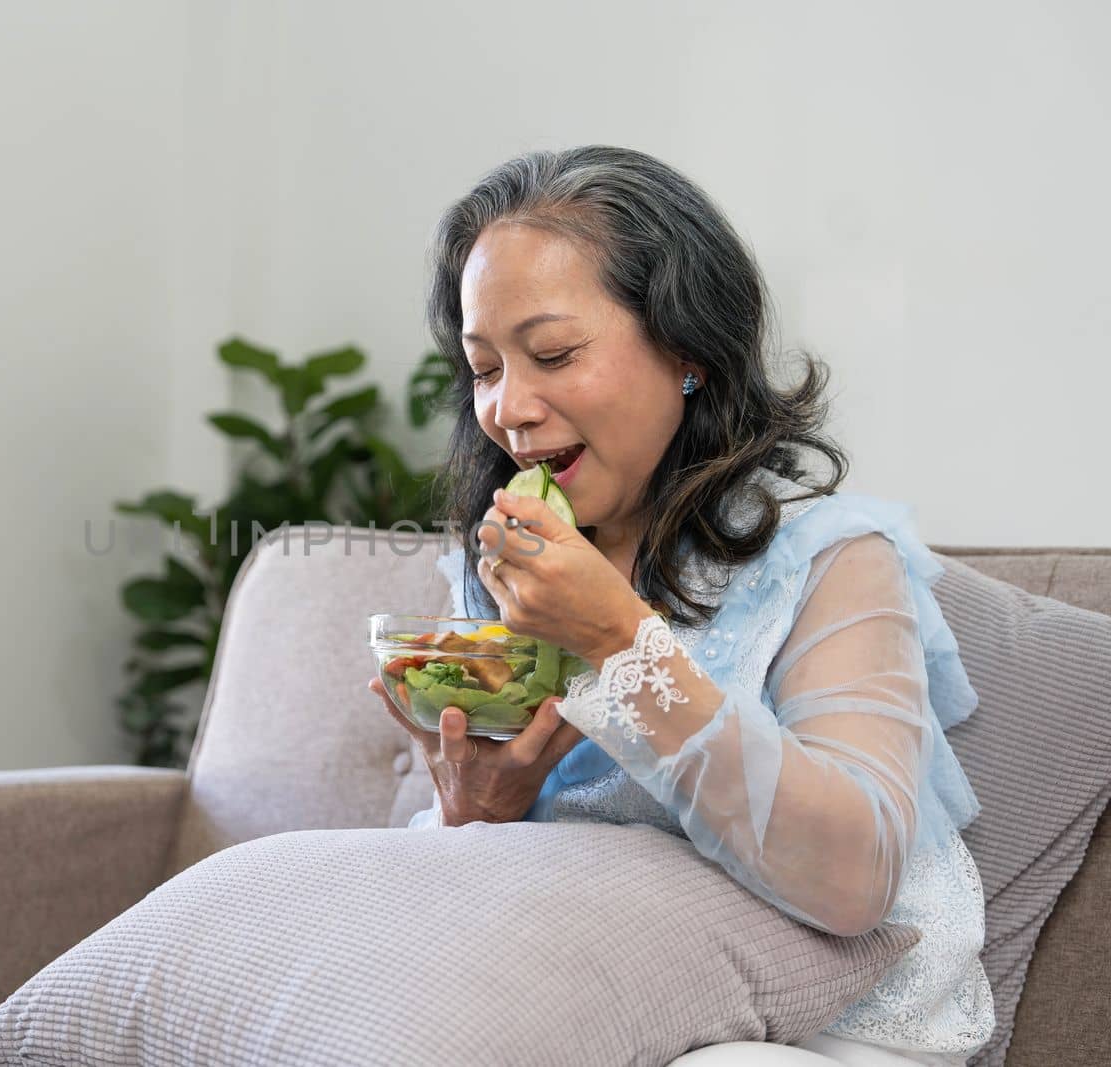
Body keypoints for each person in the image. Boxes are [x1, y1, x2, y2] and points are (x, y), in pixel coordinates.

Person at [367, 147, 994, 1067]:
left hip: (829, 1031)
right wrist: (481, 808)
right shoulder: (504, 561)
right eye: (484, 366)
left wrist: (619, 640)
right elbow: (503, 882)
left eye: (553, 354)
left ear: (687, 351)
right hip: (585, 1003)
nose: (508, 410)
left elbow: (856, 878)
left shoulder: (830, 562)